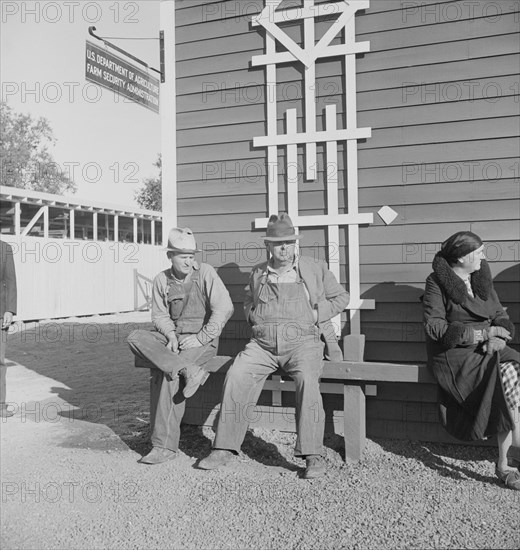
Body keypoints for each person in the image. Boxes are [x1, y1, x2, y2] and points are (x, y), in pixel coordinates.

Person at [198, 213, 349, 478]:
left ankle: (312, 453)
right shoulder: (258, 273)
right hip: (263, 344)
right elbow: (248, 301)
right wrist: (252, 317)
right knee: (237, 375)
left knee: (307, 380)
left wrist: (316, 314)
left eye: (289, 243)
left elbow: (341, 297)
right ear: (268, 246)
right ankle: (223, 446)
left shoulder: (314, 268)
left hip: (303, 343)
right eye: (278, 244)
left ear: (295, 243)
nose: (285, 248)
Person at [422, 231, 520, 490]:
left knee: (515, 374)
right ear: (462, 257)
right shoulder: (436, 283)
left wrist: (500, 337)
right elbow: (435, 328)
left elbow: (499, 314)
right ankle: (505, 463)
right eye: (479, 252)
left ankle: (509, 454)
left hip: (490, 345)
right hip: (454, 353)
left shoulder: (481, 277)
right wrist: (483, 334)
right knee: (507, 376)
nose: (484, 257)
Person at [128, 227, 234, 464]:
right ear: (170, 256)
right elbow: (160, 316)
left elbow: (224, 308)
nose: (188, 261)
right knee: (135, 337)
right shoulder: (161, 280)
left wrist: (201, 337)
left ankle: (164, 447)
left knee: (169, 374)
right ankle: (188, 370)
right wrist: (171, 336)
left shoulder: (205, 273)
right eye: (182, 256)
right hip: (173, 340)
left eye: (191, 255)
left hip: (202, 341)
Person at [0, 240, 17, 418]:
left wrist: (9, 310)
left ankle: (0, 405)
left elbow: (10, 280)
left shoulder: (4, 248)